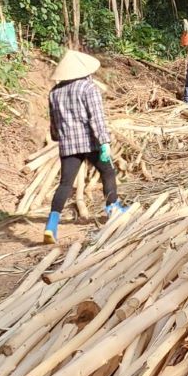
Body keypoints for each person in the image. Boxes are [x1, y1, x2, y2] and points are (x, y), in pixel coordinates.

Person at [44, 50, 126, 244]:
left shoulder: (54, 92)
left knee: (65, 183)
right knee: (108, 173)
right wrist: (104, 142)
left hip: (68, 144)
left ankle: (51, 224)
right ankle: (113, 208)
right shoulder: (89, 88)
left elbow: (54, 123)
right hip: (90, 142)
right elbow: (96, 118)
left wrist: (58, 137)